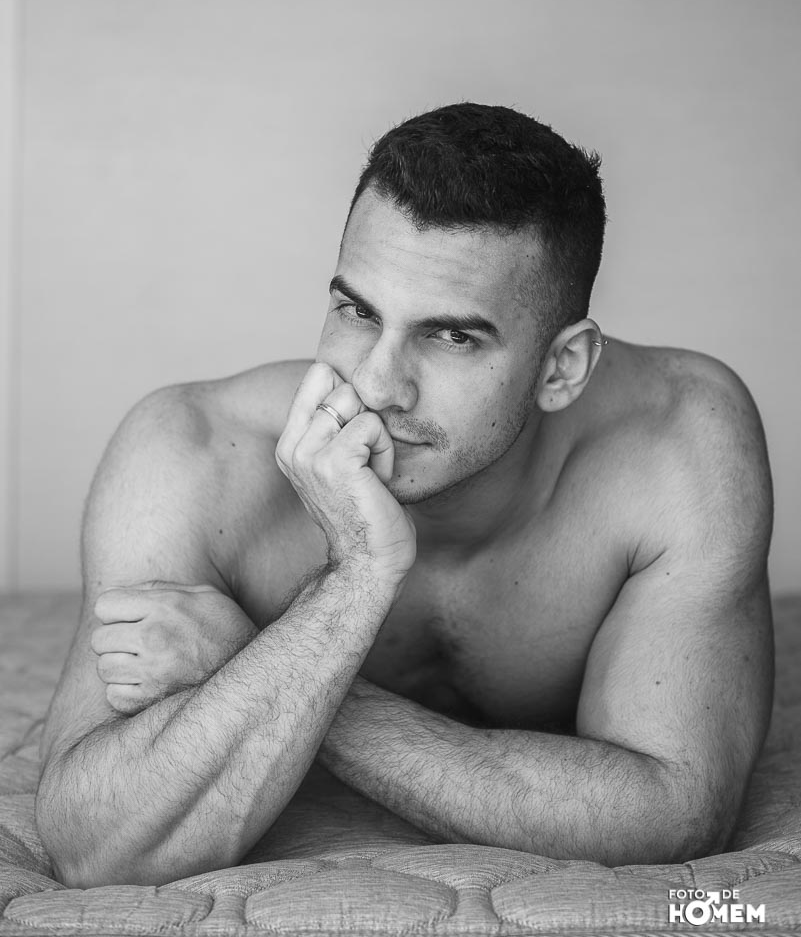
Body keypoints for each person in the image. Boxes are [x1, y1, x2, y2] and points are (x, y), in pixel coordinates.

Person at [35, 103, 774, 888]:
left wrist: (252, 661)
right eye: (358, 311)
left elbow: (672, 814)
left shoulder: (676, 437)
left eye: (451, 336)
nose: (378, 383)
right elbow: (94, 848)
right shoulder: (192, 450)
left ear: (561, 368)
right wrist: (357, 577)